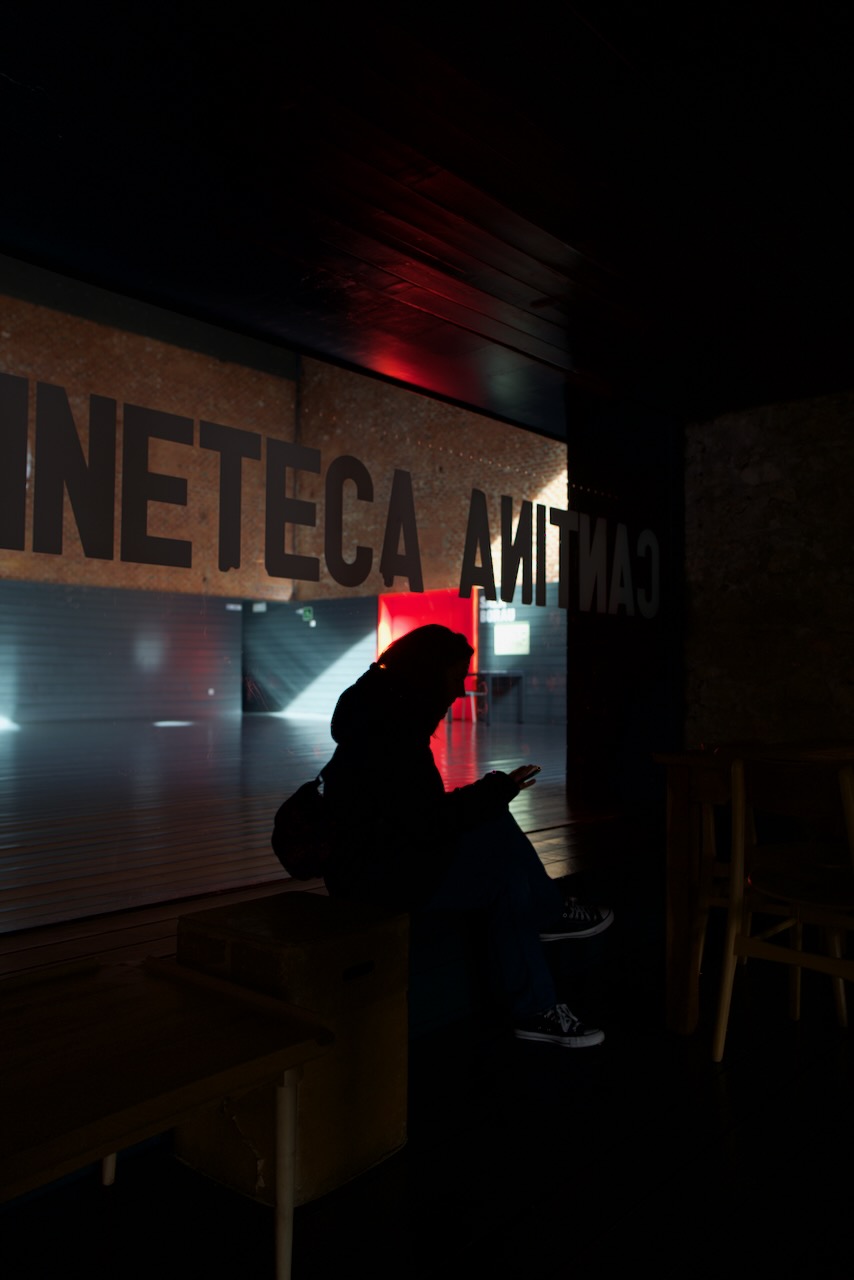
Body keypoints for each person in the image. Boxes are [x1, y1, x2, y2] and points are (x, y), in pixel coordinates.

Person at [321, 624, 612, 1048]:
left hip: (384, 859)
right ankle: (536, 1000)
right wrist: (494, 791)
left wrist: (492, 793)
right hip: (378, 878)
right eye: (456, 677)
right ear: (430, 673)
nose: (459, 690)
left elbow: (416, 817)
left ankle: (546, 926)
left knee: (493, 823)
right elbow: (426, 825)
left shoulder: (383, 715)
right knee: (504, 878)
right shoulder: (391, 734)